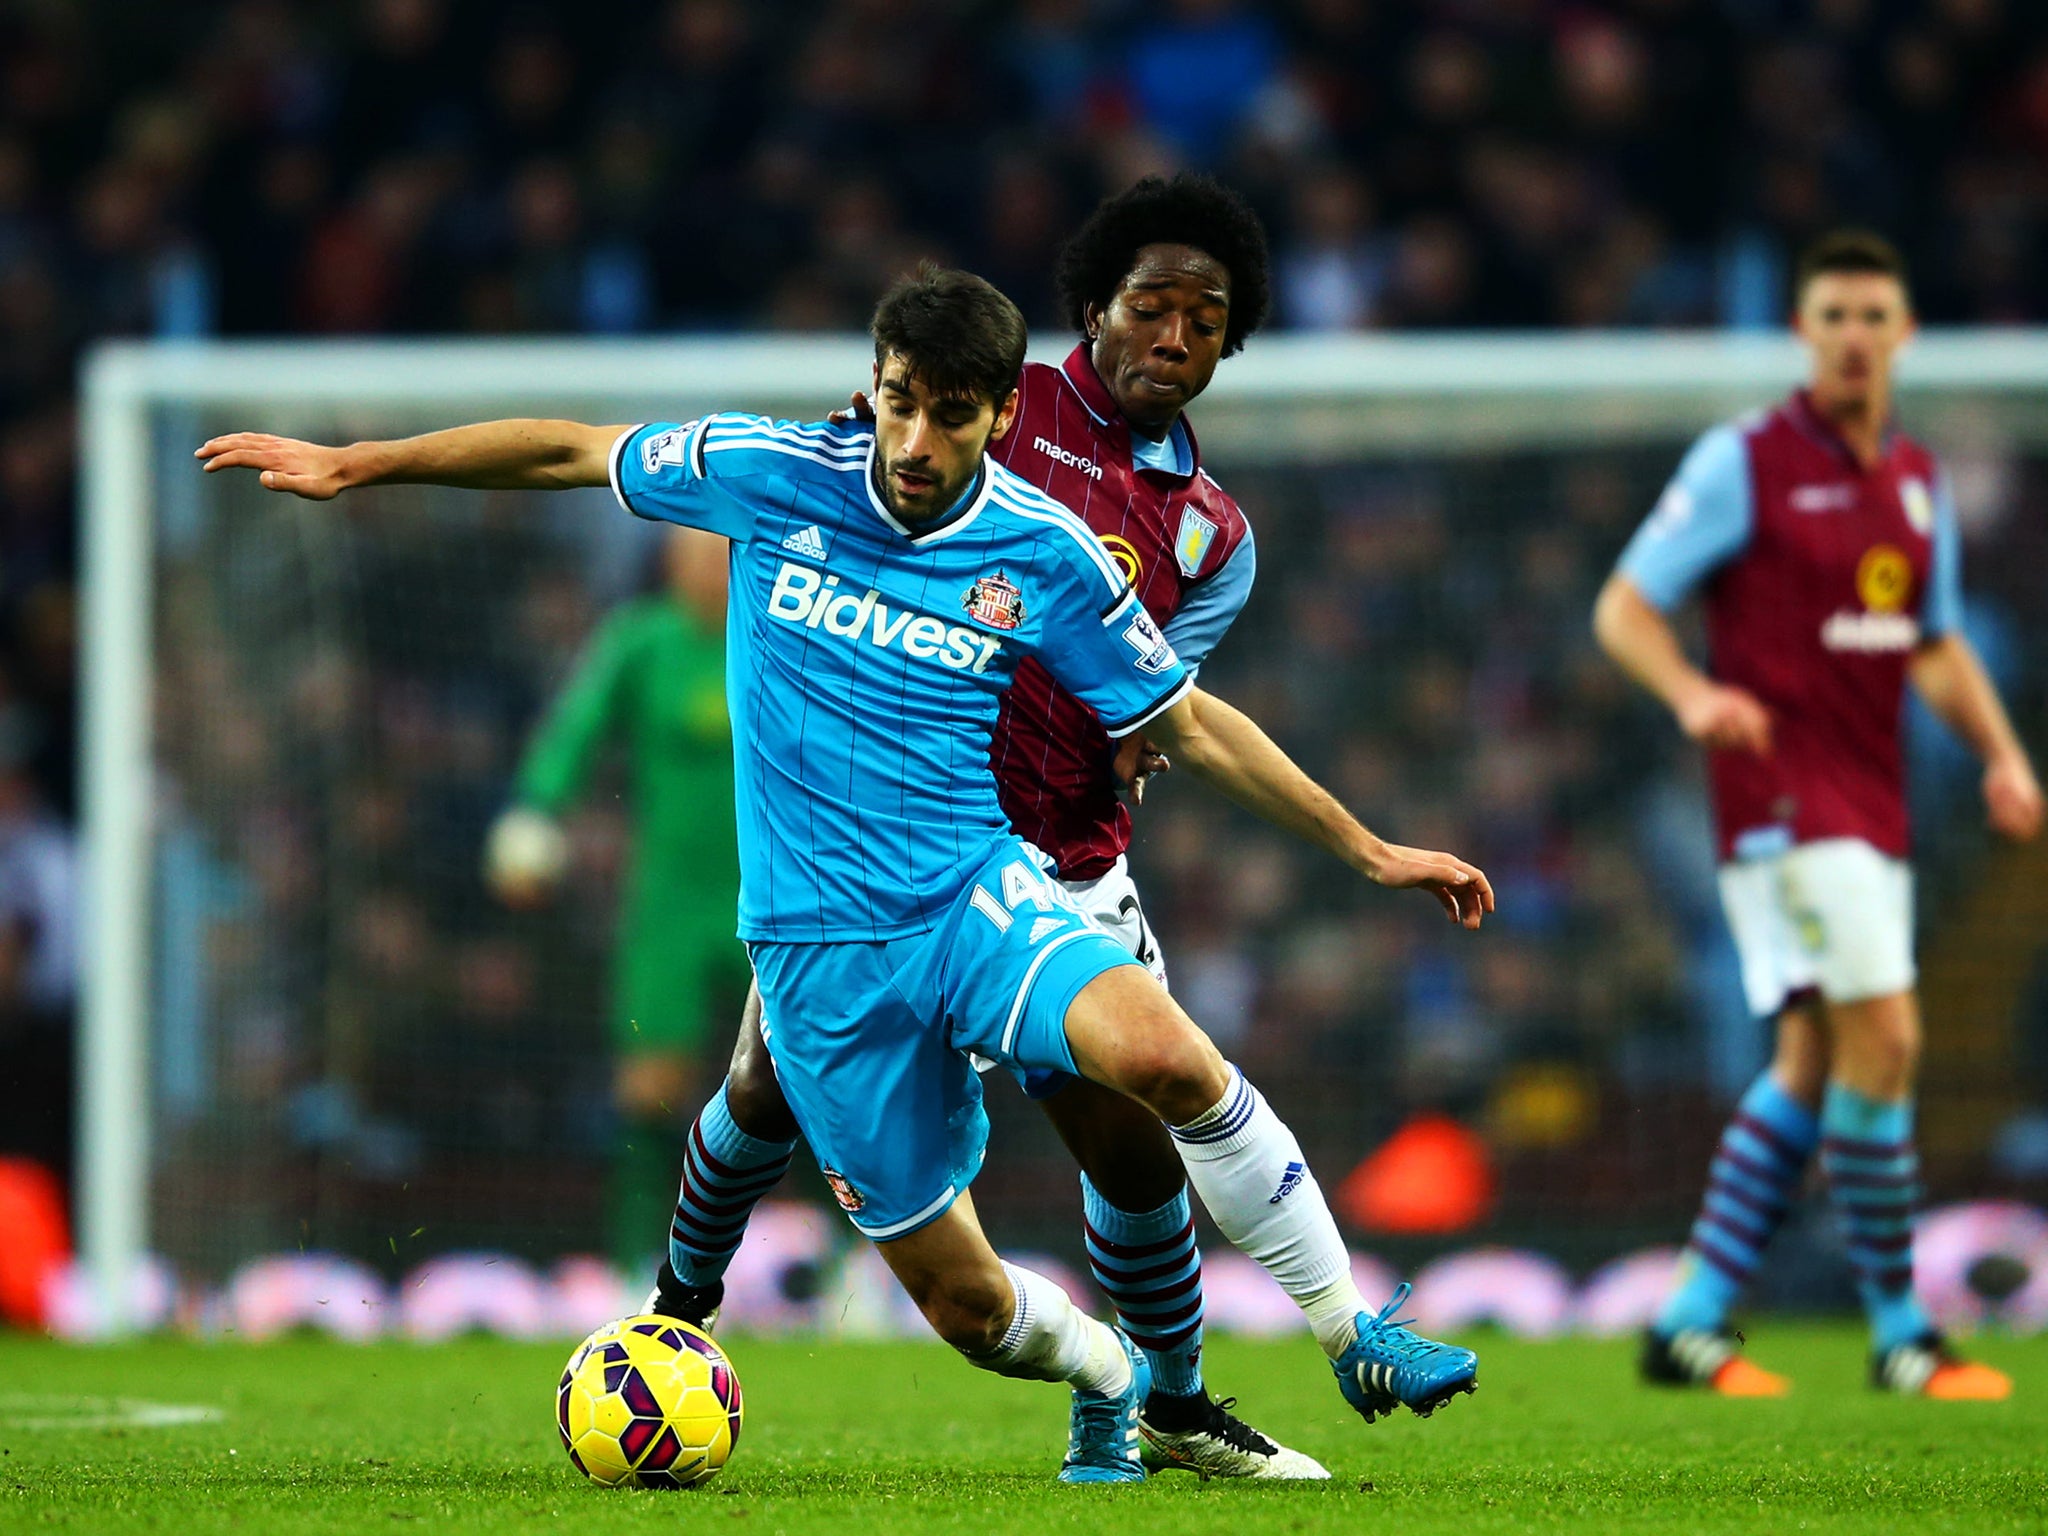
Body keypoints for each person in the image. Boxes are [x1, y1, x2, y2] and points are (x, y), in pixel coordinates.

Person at [197, 264, 1493, 1483]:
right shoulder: (771, 472)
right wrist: (360, 464)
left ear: (998, 417)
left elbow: (1187, 721)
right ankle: (1110, 1376)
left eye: (951, 415)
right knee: (971, 1308)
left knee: (1161, 1061)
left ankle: (1347, 1331)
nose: (916, 441)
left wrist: (1369, 847)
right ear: (873, 383)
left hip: (975, 901)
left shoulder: (1042, 552)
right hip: (817, 957)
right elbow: (573, 448)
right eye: (900, 402)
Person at [652, 174, 1328, 1481]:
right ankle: (674, 1309)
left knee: (1133, 1134)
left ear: (1228, 344)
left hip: (1054, 863)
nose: (1174, 338)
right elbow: (854, 476)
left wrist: (1138, 731)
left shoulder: (1216, 535)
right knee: (760, 1086)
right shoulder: (983, 411)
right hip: (879, 847)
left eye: (1206, 320)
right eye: (1151, 307)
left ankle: (1173, 1403)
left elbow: (1153, 707)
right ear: (1095, 311)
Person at [1594, 229, 2043, 1399]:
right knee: (1885, 1039)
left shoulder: (1911, 480)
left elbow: (1932, 640)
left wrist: (1998, 754)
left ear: (1901, 334)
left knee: (1806, 1061)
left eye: (1870, 316)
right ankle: (1900, 1333)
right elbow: (1625, 607)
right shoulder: (1740, 460)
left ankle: (1687, 1320)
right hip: (1781, 801)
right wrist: (1693, 693)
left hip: (1872, 799)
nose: (1851, 337)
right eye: (1830, 315)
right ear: (1802, 331)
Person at [483, 526, 749, 1271]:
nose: (704, 566)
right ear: (665, 563)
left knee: (806, 1080)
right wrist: (535, 808)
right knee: (650, 1088)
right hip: (668, 902)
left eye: (717, 550)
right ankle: (636, 1263)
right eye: (688, 551)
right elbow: (575, 731)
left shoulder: (776, 634)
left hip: (773, 900)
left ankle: (827, 1273)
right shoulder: (640, 642)